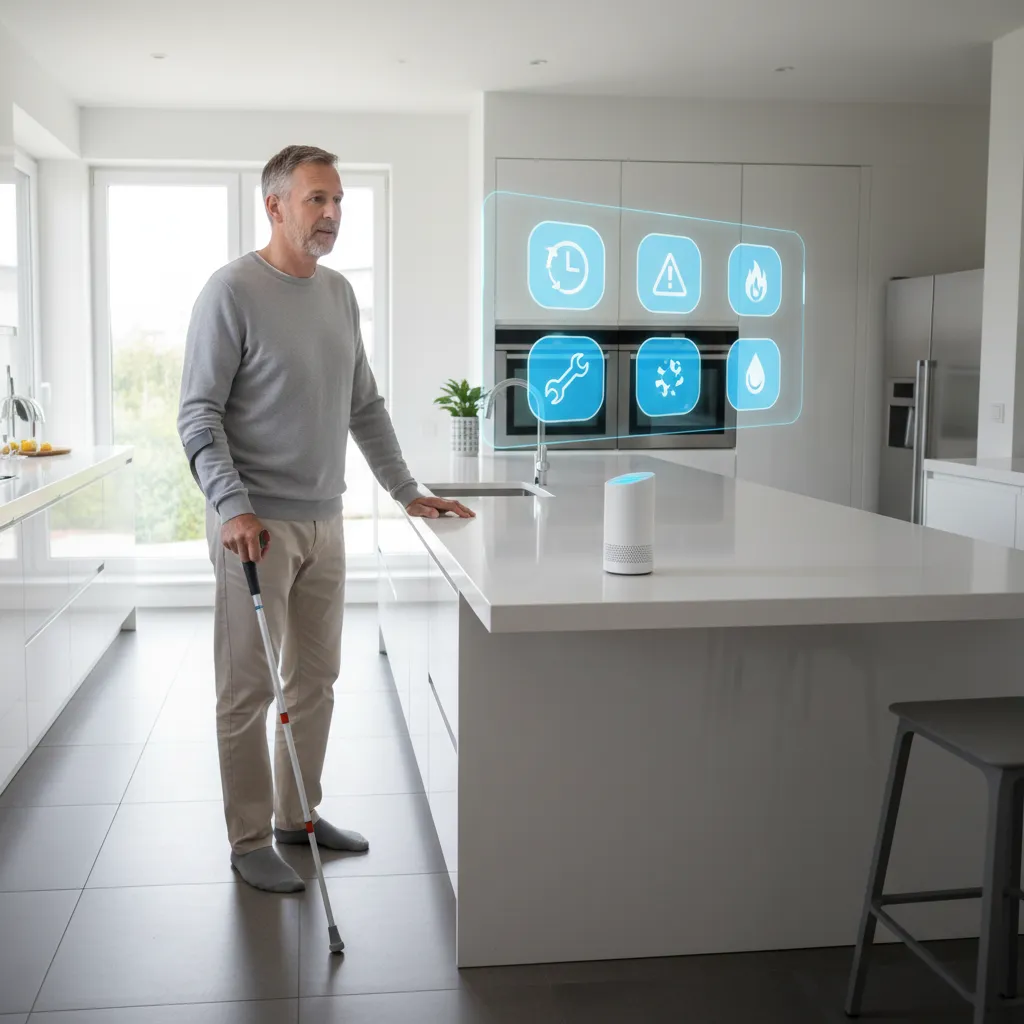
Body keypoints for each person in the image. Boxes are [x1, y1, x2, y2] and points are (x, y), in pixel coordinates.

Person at [177, 144, 473, 893]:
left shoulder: (339, 294)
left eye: (338, 200)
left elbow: (363, 406)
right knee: (247, 691)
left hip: (325, 521)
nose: (332, 214)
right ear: (274, 206)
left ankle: (297, 817)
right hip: (256, 530)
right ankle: (248, 840)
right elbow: (199, 416)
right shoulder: (231, 291)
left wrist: (408, 490)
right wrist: (233, 507)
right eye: (316, 200)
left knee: (316, 681)